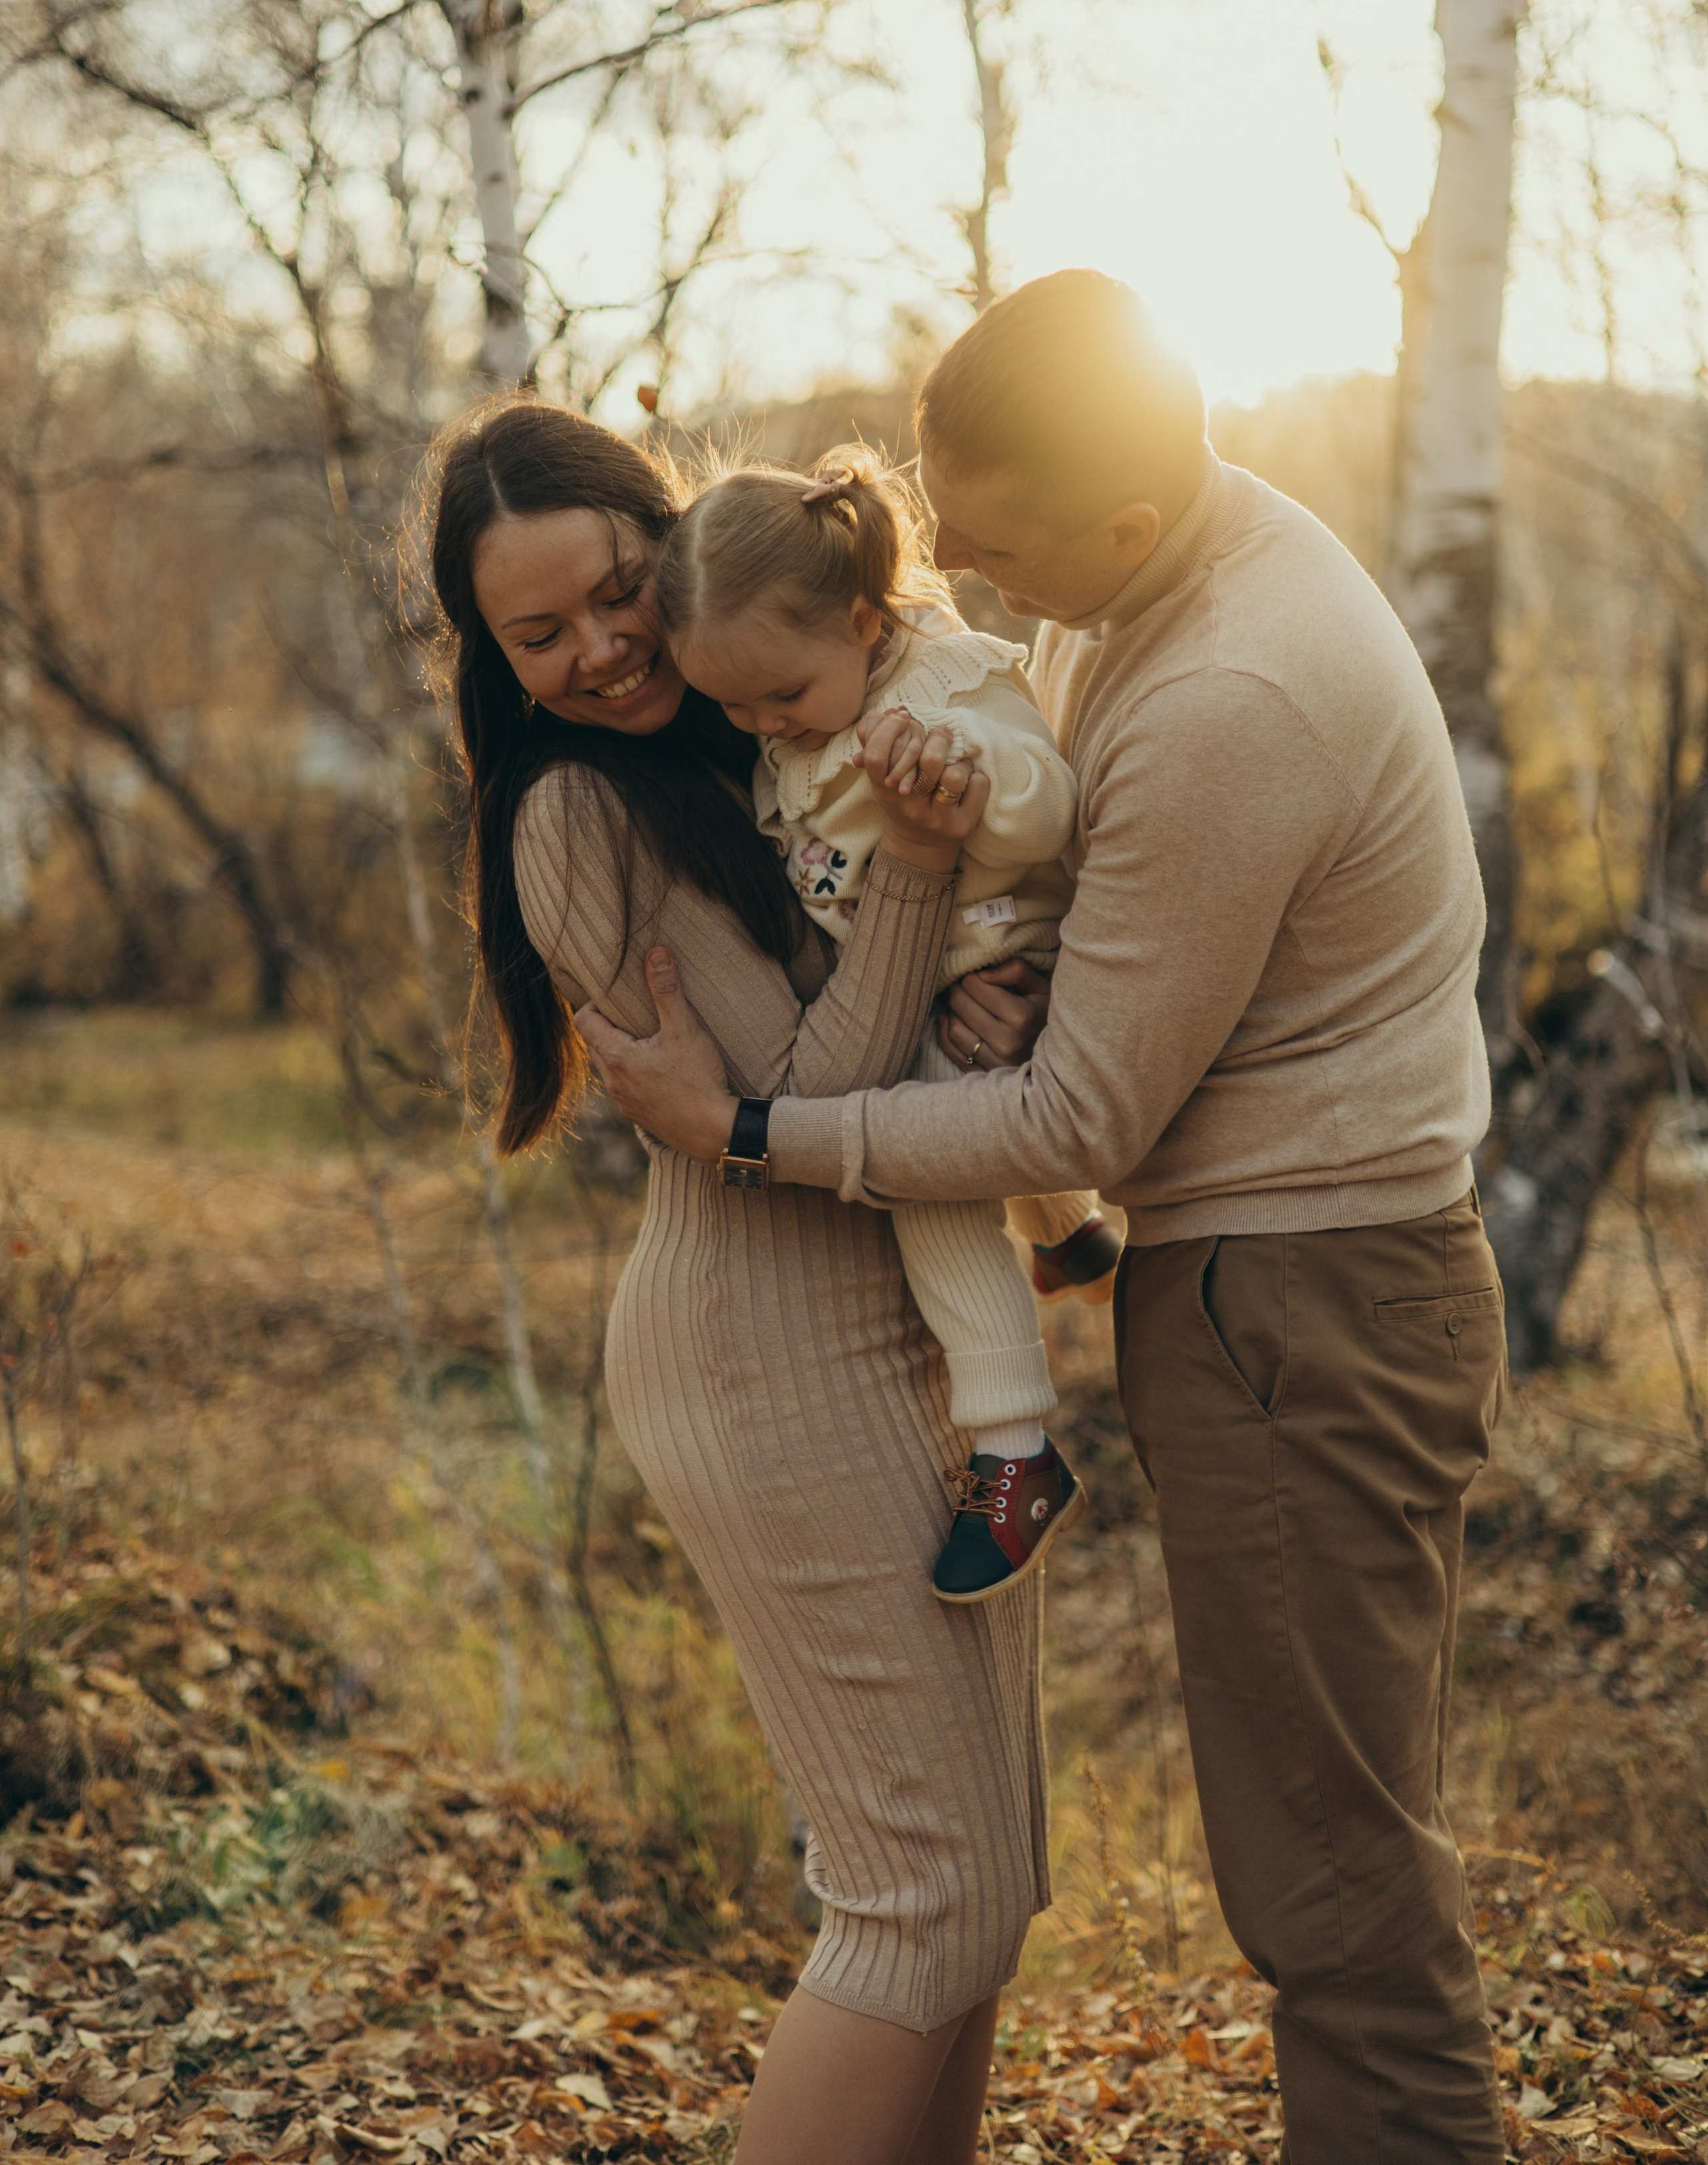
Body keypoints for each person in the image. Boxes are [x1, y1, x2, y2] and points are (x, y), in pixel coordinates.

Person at [578, 270, 1509, 2165]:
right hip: (1275, 1279)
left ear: (1125, 527)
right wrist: (1031, 961)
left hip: (1305, 1298)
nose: (960, 582)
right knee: (1324, 1858)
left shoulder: (1229, 687)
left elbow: (1081, 1110)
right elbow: (1110, 929)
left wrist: (754, 1127)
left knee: (1331, 1898)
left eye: (995, 548)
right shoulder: (1168, 591)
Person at [425, 392, 1055, 2165]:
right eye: (536, 635)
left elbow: (880, 1037)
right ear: (488, 655)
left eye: (618, 590)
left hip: (898, 1314)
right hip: (761, 1352)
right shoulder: (571, 811)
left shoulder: (768, 721)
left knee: (988, 1891)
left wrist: (969, 980)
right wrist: (927, 899)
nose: (601, 650)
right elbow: (814, 1097)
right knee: (914, 1900)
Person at [655, 445, 1114, 1603]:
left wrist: (968, 789)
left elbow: (1047, 801)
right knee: (954, 1109)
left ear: (862, 622)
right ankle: (1070, 1234)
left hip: (1005, 951)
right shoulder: (800, 713)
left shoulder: (942, 689)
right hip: (935, 969)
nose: (767, 726)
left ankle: (1015, 1447)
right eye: (736, 707)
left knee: (923, 1176)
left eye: (782, 697)